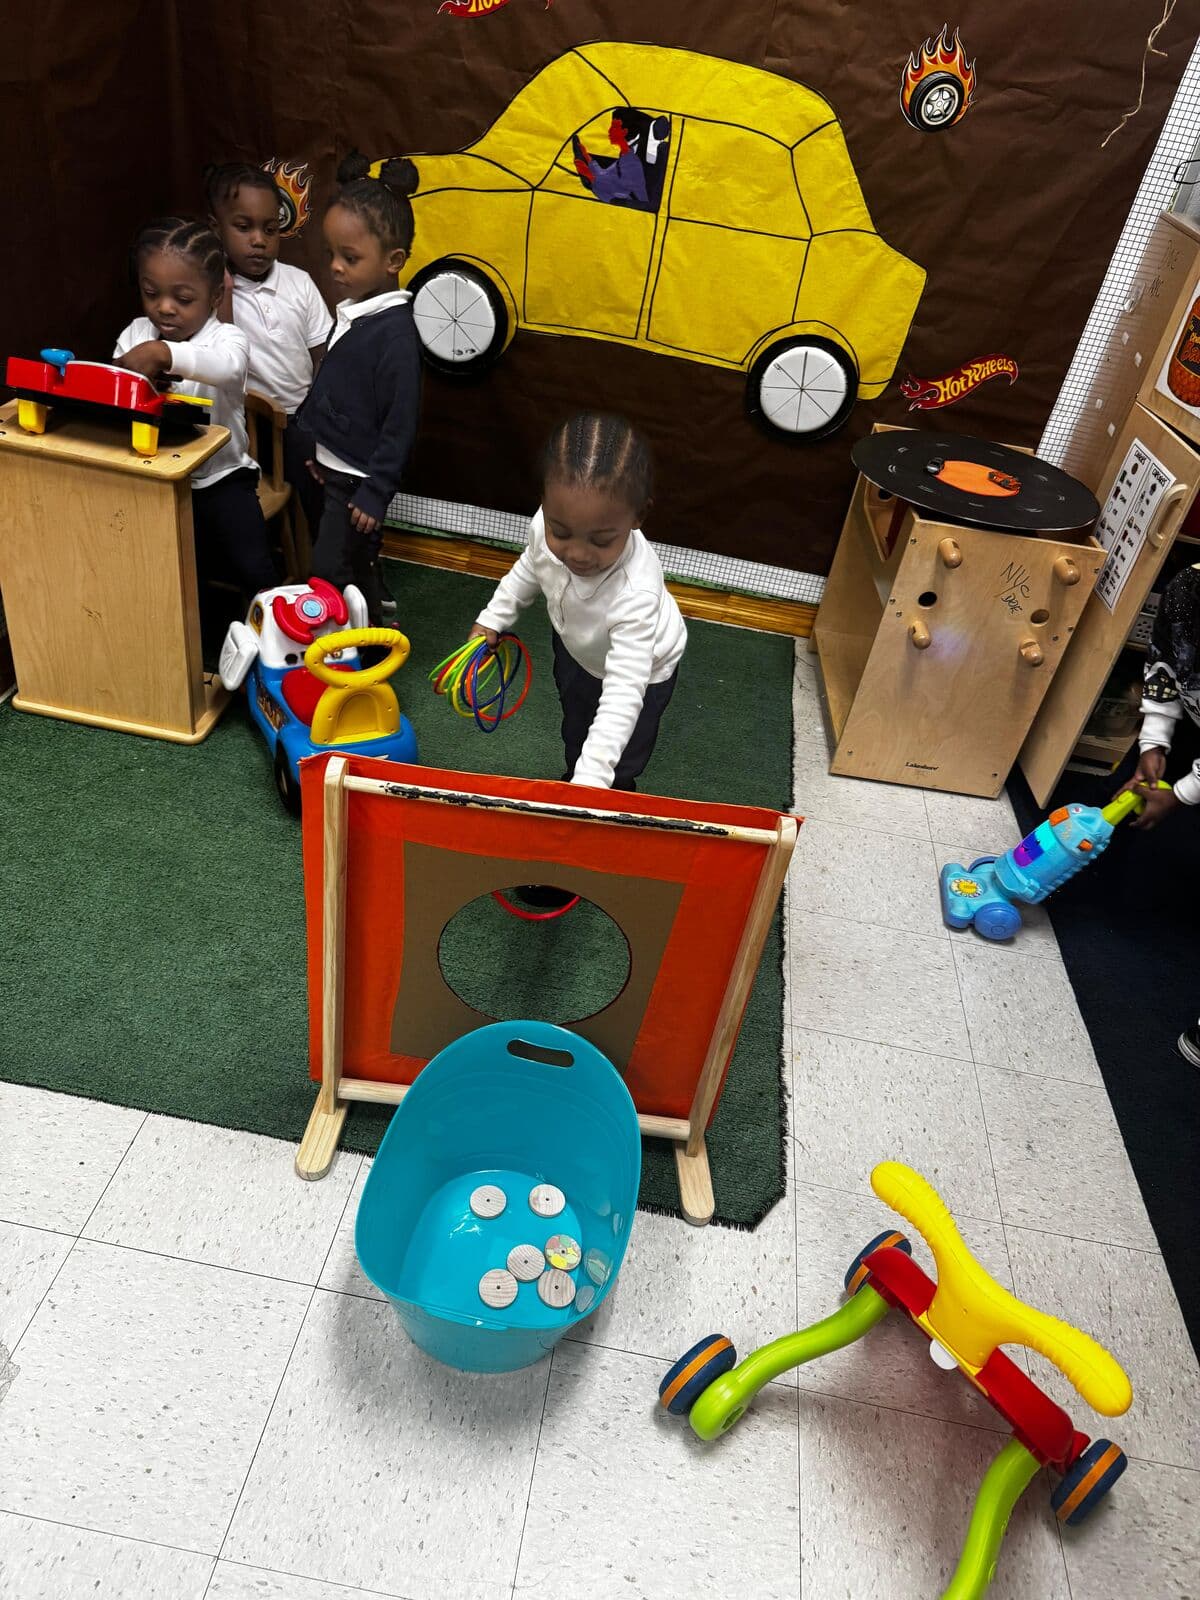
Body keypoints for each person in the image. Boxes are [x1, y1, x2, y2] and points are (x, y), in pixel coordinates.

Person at [471, 411, 687, 793]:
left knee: (619, 758)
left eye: (601, 540)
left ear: (640, 515)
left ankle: (609, 795)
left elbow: (624, 691)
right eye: (561, 532)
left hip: (642, 669)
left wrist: (594, 781)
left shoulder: (636, 592)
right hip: (577, 644)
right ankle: (577, 774)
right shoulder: (544, 524)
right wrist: (494, 617)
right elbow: (531, 566)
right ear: (545, 504)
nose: (577, 554)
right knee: (577, 725)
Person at [114, 216, 276, 635]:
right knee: (171, 565)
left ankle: (272, 640)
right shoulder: (134, 334)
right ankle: (180, 634)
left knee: (253, 566)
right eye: (152, 293)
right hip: (156, 479)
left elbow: (226, 369)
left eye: (183, 298)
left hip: (223, 477)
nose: (164, 307)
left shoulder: (228, 340)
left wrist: (163, 354)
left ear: (214, 295)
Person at [297, 152, 422, 621]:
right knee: (350, 559)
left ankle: (363, 648)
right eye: (331, 254)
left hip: (358, 483)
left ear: (394, 261)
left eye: (350, 258)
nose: (335, 267)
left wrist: (376, 492)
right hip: (334, 467)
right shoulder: (354, 310)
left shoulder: (396, 336)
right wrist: (317, 443)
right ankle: (373, 607)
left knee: (332, 566)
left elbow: (400, 425)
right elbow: (335, 386)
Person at [206, 162, 329, 542]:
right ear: (217, 229)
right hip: (244, 422)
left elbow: (322, 356)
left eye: (270, 229)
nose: (258, 240)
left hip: (301, 417)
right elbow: (224, 363)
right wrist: (223, 293)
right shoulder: (209, 292)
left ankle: (341, 564)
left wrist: (322, 416)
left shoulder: (299, 283)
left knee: (322, 475)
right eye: (244, 228)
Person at [1116, 562, 1200, 830]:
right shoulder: (1187, 588)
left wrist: (1181, 794)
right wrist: (1152, 741)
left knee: (1175, 844)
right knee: (1126, 792)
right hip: (1188, 715)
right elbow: (1164, 661)